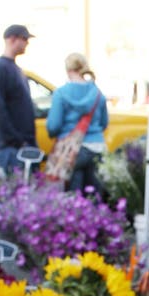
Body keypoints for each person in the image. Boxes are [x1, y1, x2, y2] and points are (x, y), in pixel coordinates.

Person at [46, 53, 108, 193]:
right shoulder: (98, 94)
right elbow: (104, 123)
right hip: (97, 148)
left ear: (68, 70)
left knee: (73, 198)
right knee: (95, 197)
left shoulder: (61, 94)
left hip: (72, 151)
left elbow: (53, 126)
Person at [0, 24, 37, 174]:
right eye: (24, 39)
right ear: (12, 39)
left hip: (23, 145)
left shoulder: (16, 69)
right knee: (15, 187)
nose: (27, 43)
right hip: (10, 149)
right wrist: (17, 140)